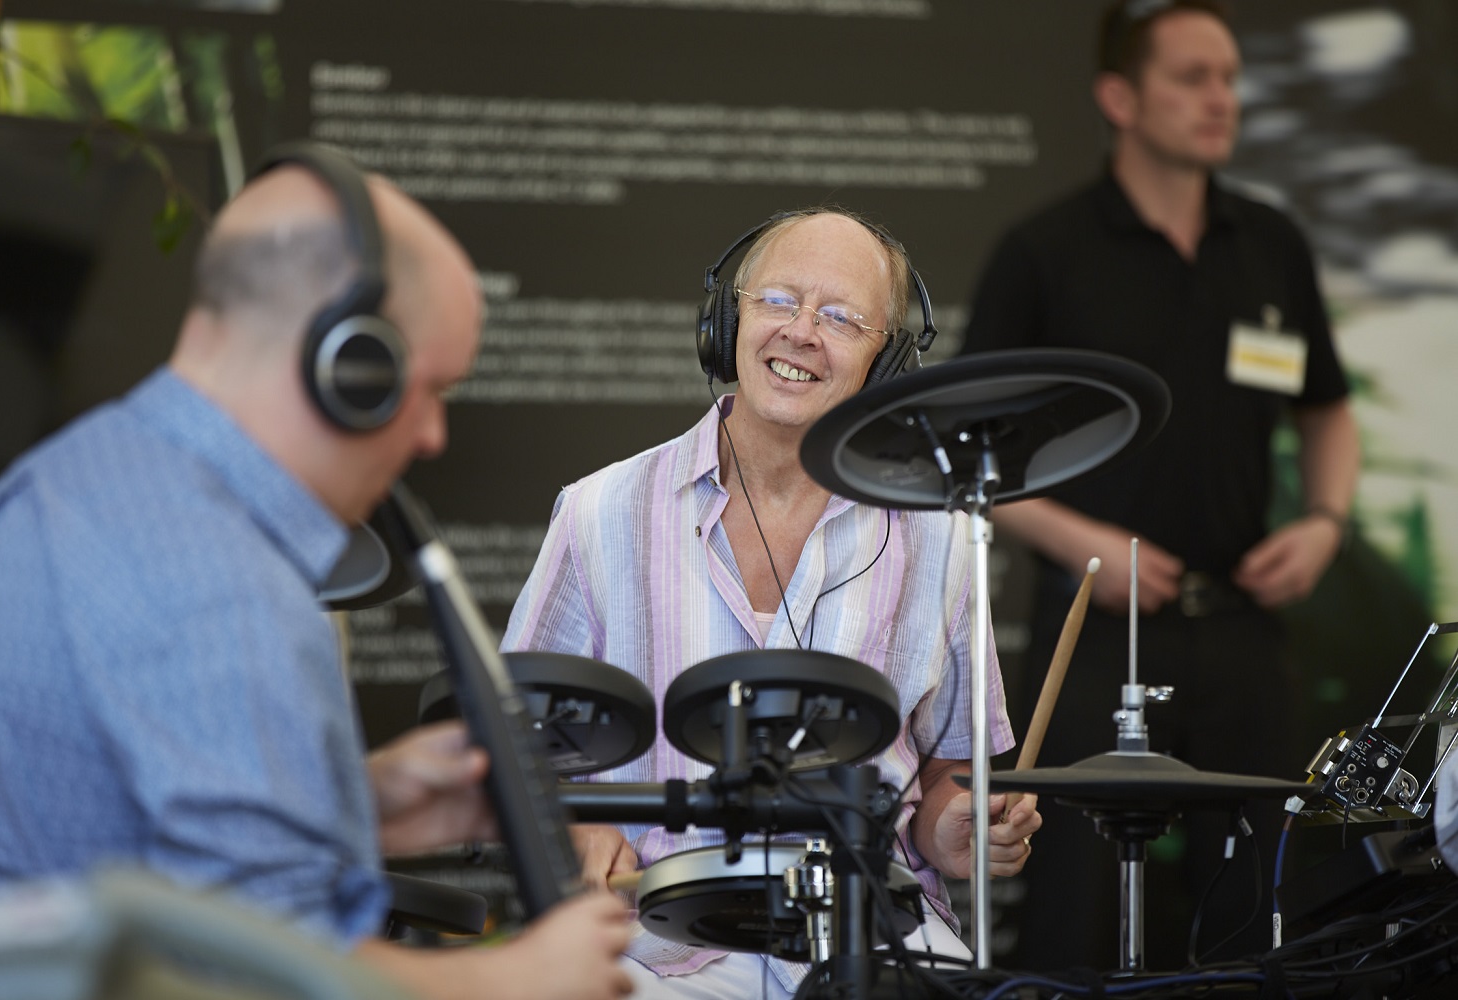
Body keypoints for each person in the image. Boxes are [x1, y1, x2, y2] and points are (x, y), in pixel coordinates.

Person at [0, 144, 633, 1000]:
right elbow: (271, 983)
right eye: (432, 390)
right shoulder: (224, 591)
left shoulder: (56, 489)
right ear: (352, 370)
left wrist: (356, 804)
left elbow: (116, 841)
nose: (433, 437)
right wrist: (517, 978)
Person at [502, 208, 1043, 997]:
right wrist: (577, 828)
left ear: (886, 361)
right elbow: (514, 741)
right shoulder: (600, 510)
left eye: (841, 318)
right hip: (655, 940)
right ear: (727, 323)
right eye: (779, 301)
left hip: (870, 928)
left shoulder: (940, 535)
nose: (801, 333)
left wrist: (954, 828)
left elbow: (948, 769)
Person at [961, 0, 1360, 971]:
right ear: (1120, 98)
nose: (1221, 98)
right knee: (1077, 915)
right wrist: (1084, 546)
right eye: (1192, 77)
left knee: (1265, 911)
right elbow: (972, 450)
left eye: (1228, 78)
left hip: (1244, 626)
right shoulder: (1046, 249)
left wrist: (1323, 521)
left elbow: (1327, 409)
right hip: (1094, 634)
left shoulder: (1270, 243)